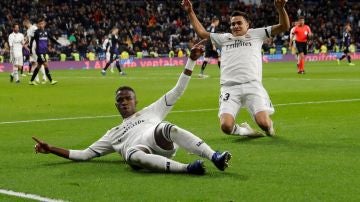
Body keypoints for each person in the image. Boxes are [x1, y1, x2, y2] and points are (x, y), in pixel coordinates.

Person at [32, 40, 231, 175]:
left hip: (158, 141)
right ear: (116, 105)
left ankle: (214, 156)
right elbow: (84, 154)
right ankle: (188, 168)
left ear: (136, 102)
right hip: (139, 151)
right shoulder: (113, 134)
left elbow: (178, 90)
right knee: (133, 155)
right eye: (120, 100)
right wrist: (51, 149)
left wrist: (191, 60)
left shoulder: (152, 110)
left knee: (169, 128)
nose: (124, 102)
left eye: (128, 99)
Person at [182, 0, 290, 137]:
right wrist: (190, 12)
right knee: (226, 126)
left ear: (247, 24)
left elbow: (284, 26)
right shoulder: (224, 38)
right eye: (233, 24)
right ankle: (246, 131)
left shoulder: (257, 34)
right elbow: (202, 33)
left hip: (252, 85)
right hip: (229, 88)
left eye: (239, 23)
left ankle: (269, 128)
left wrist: (281, 8)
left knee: (264, 123)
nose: (236, 26)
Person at [29, 18, 59, 85]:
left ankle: (31, 81)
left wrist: (58, 43)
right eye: (40, 24)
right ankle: (51, 80)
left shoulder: (46, 31)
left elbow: (51, 38)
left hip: (44, 51)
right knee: (45, 64)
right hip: (39, 51)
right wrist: (31, 50)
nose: (41, 25)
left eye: (42, 23)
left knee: (39, 66)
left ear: (44, 24)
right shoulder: (36, 32)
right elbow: (31, 41)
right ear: (38, 25)